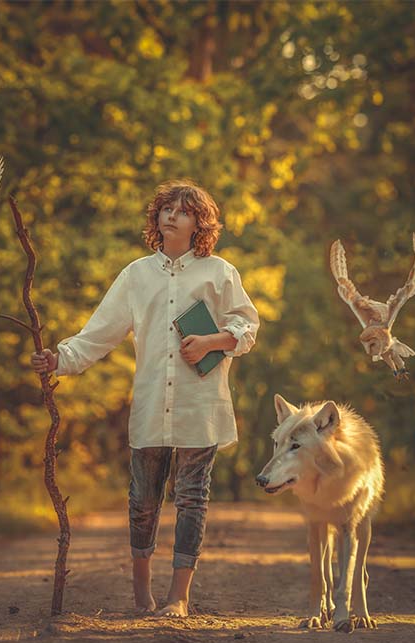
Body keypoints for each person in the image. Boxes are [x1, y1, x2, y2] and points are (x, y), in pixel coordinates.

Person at [30, 180, 259, 617]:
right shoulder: (135, 275)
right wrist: (57, 358)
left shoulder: (220, 272)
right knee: (143, 499)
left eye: (184, 211)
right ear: (156, 218)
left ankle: (179, 597)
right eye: (165, 209)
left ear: (199, 224)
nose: (172, 216)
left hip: (200, 403)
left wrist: (212, 341)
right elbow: (98, 334)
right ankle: (141, 595)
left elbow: (248, 327)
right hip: (152, 402)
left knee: (192, 497)